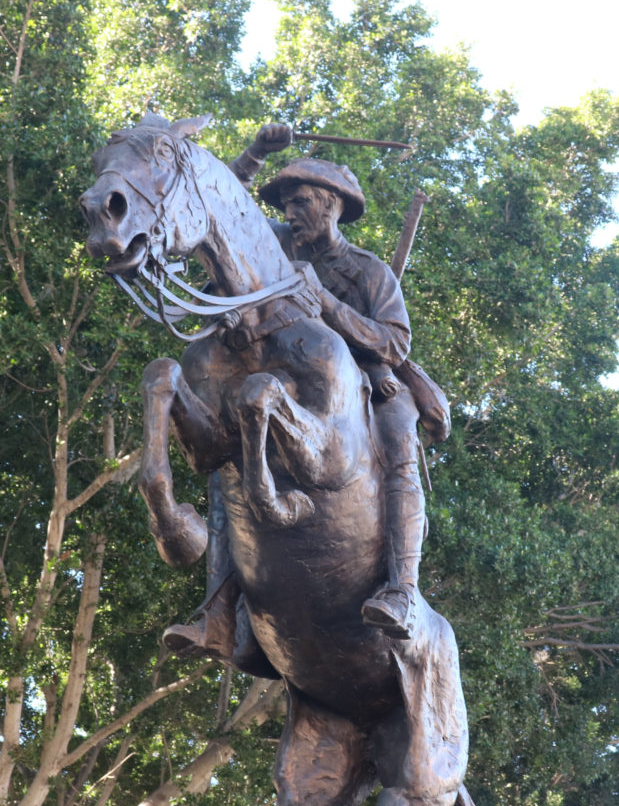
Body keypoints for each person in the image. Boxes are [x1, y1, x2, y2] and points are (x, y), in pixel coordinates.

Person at [164, 124, 430, 663]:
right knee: (229, 460)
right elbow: (221, 205)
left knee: (401, 444)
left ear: (332, 206)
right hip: (286, 379)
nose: (289, 211)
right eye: (285, 203)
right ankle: (217, 612)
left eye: (301, 201)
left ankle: (403, 588)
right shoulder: (272, 247)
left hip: (367, 384)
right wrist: (257, 152)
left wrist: (328, 307)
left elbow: (394, 342)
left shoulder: (369, 272)